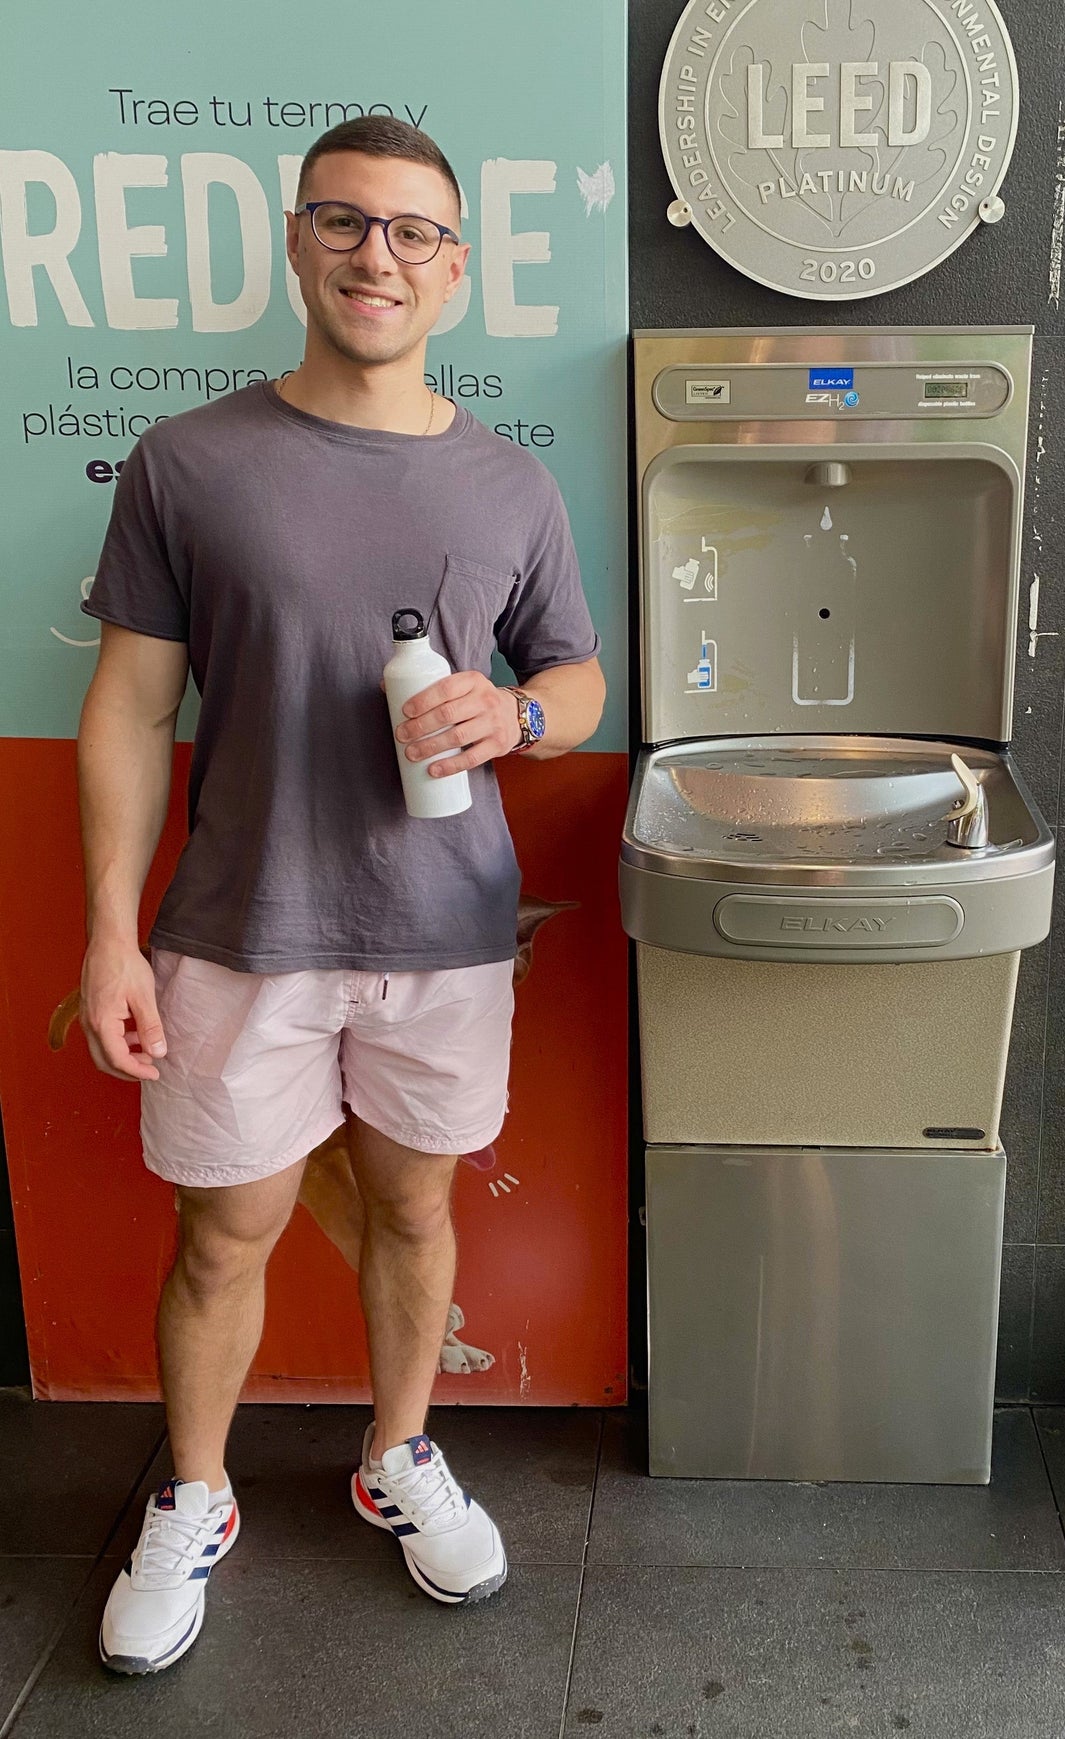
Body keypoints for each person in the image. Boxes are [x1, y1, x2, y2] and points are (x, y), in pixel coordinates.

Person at [74, 117, 605, 1674]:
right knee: (224, 1234)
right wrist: (112, 930)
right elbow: (125, 711)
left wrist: (519, 715)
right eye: (347, 223)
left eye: (415, 233)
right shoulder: (190, 463)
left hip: (447, 935)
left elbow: (574, 676)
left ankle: (398, 1455)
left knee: (416, 1207)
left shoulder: (511, 483)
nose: (380, 255)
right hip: (242, 931)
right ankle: (192, 1494)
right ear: (300, 244)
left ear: (459, 268)